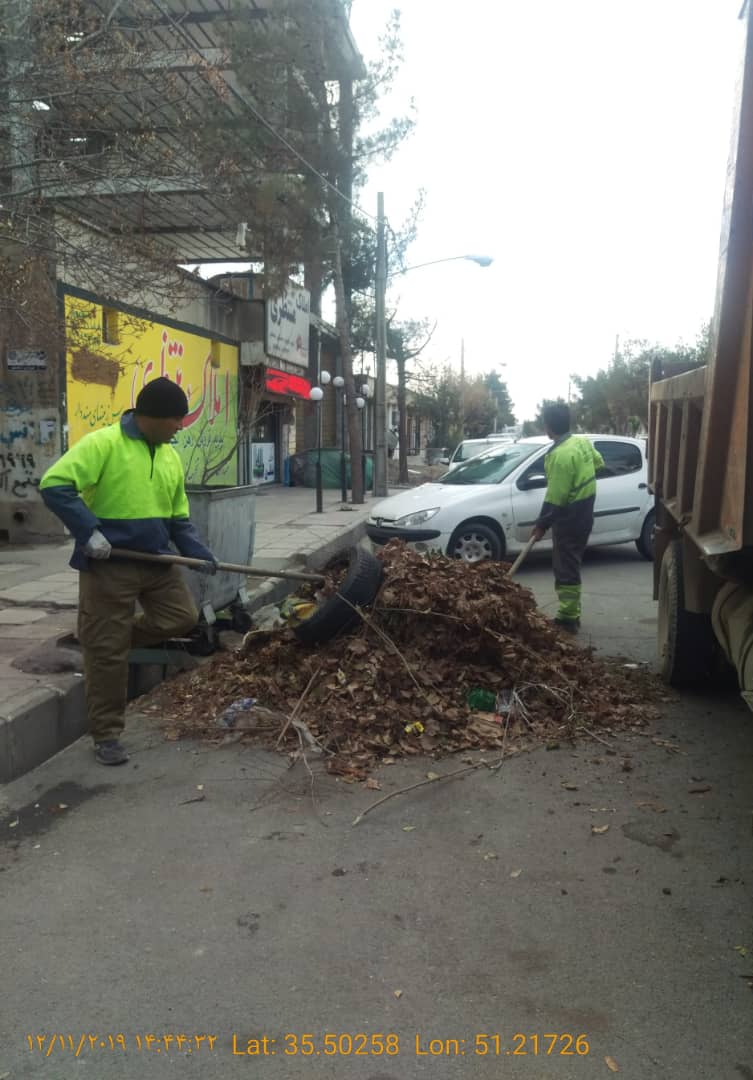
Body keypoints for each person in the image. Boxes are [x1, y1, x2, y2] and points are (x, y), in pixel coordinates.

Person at [40, 377, 217, 765]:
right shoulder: (103, 444)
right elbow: (54, 485)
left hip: (155, 562)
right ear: (150, 417)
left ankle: (104, 640)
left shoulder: (169, 455)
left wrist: (198, 552)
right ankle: (107, 735)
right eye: (175, 421)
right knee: (107, 654)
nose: (178, 428)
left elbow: (178, 519)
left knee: (180, 617)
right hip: (110, 564)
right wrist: (89, 532)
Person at [530, 403, 604, 633]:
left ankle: (568, 618)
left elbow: (556, 498)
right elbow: (599, 463)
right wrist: (582, 483)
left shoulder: (560, 456)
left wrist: (541, 525)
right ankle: (571, 612)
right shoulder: (581, 442)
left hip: (570, 517)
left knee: (566, 566)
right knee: (570, 562)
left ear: (547, 426)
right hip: (585, 512)